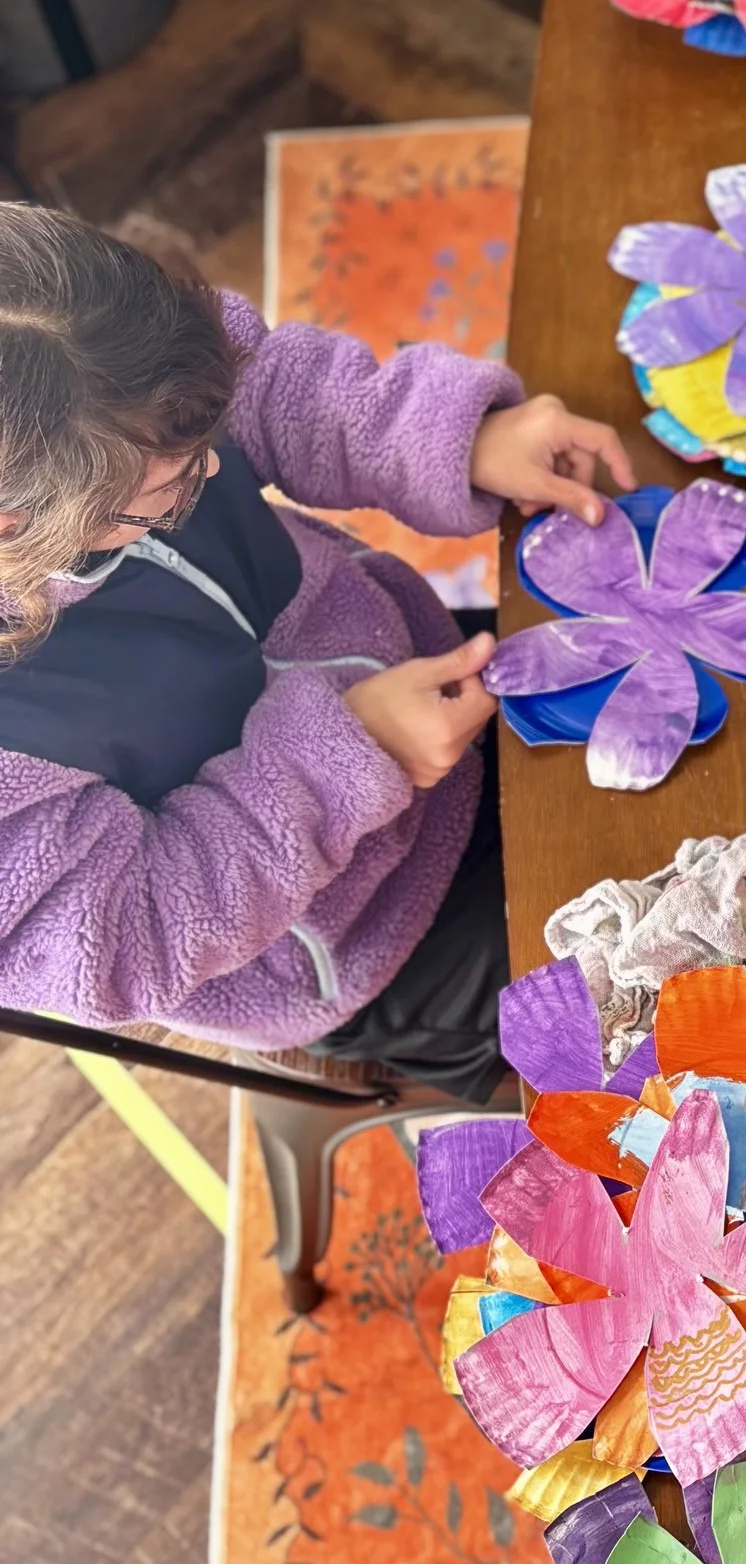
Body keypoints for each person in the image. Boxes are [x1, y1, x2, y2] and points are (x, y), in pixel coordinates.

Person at [0, 207, 628, 1103]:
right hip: (377, 932)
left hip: (414, 666)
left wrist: (451, 436)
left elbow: (264, 390)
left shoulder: (94, 354)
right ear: (17, 526)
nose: (217, 468)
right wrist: (348, 755)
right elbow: (135, 934)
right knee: (663, 981)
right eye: (174, 486)